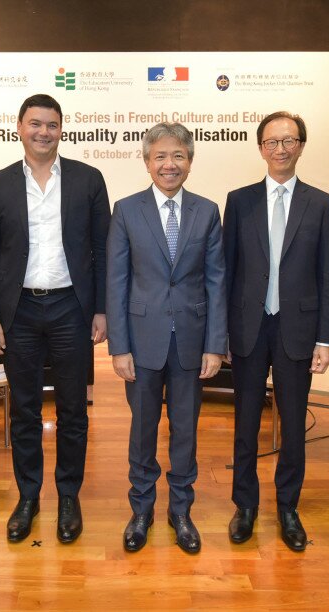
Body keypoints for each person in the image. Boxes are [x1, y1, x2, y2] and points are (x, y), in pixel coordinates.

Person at [0, 94, 110, 543]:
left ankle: (68, 496)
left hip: (72, 307)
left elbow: (103, 249)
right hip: (20, 312)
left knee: (74, 409)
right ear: (19, 127)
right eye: (35, 124)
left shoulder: (89, 179)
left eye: (52, 125)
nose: (44, 132)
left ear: (61, 129)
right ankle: (28, 497)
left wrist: (101, 308)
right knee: (25, 409)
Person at [107, 122, 227, 554]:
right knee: (142, 429)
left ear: (190, 161)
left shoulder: (208, 211)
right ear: (146, 161)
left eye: (177, 155)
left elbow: (216, 281)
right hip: (140, 342)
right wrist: (118, 346)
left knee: (185, 430)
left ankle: (181, 511)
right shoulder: (126, 209)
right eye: (160, 156)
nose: (169, 164)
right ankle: (141, 509)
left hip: (192, 342)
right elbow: (116, 282)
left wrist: (215, 343)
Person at [223, 111, 329, 552]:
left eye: (289, 140)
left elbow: (326, 275)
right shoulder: (240, 200)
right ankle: (245, 506)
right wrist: (224, 335)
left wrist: (325, 338)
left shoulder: (321, 202)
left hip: (298, 331)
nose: (280, 149)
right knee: (245, 424)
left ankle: (288, 507)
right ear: (260, 148)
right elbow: (227, 271)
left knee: (292, 425)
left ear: (301, 146)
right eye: (272, 141)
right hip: (248, 330)